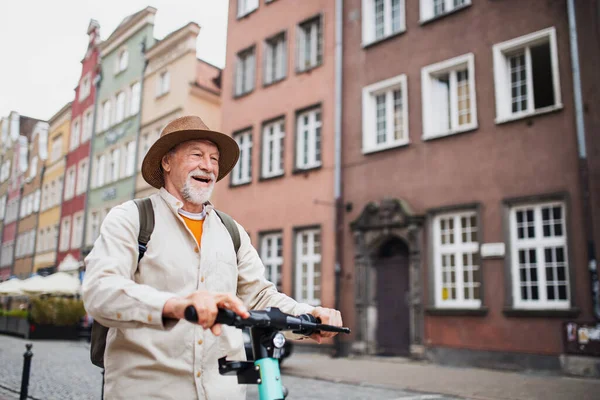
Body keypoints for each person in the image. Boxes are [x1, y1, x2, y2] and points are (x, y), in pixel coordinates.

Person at [82, 115, 343, 399]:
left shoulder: (231, 231)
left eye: (214, 159)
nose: (208, 166)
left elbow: (259, 297)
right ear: (166, 163)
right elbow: (100, 291)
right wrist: (176, 305)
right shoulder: (132, 218)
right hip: (149, 391)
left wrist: (309, 314)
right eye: (196, 155)